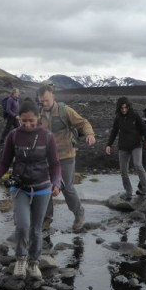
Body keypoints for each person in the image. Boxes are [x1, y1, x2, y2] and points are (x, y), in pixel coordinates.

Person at [0, 98, 62, 279]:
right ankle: (20, 260)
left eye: (31, 121)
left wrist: (57, 183)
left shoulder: (47, 136)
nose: (27, 124)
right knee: (22, 225)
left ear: (38, 118)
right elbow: (4, 163)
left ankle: (34, 263)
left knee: (36, 228)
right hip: (20, 189)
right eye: (23, 121)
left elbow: (55, 164)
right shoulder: (13, 136)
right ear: (19, 118)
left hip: (42, 188)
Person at [37, 84, 96, 232]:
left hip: (66, 156)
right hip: (47, 158)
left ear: (53, 96)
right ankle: (46, 220)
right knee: (46, 187)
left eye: (46, 100)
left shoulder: (65, 111)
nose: (44, 104)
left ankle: (79, 214)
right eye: (41, 101)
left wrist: (90, 134)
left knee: (67, 188)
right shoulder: (39, 114)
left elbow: (83, 123)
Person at [105, 96, 146, 200]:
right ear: (119, 108)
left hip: (136, 145)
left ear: (128, 107)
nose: (123, 110)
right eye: (121, 108)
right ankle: (128, 192)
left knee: (138, 165)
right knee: (123, 170)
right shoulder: (118, 117)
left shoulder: (135, 115)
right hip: (123, 147)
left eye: (125, 107)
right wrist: (109, 145)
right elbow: (114, 131)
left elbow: (144, 128)